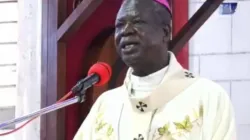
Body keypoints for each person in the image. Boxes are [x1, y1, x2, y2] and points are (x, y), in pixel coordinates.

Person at [73, 0, 237, 139]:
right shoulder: (106, 105)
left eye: (137, 22)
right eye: (119, 25)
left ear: (165, 32)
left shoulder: (208, 97)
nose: (126, 31)